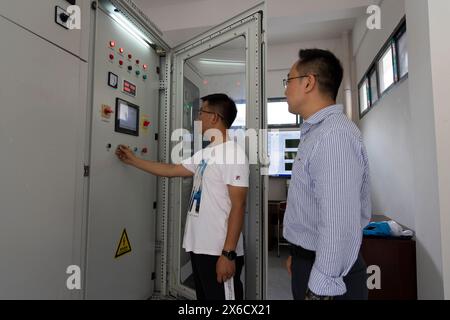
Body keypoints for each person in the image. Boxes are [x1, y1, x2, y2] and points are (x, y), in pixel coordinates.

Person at [116, 94, 249, 300]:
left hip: (219, 251)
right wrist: (134, 161)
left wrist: (228, 254)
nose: (197, 118)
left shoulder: (233, 154)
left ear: (214, 117)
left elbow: (239, 206)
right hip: (200, 247)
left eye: (201, 113)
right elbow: (172, 169)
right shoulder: (207, 152)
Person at [283, 49, 371, 300]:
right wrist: (299, 254)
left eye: (288, 80)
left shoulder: (333, 136)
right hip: (312, 260)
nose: (285, 89)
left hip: (330, 281)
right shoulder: (316, 132)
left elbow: (338, 223)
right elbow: (312, 207)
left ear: (308, 82)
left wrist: (320, 288)